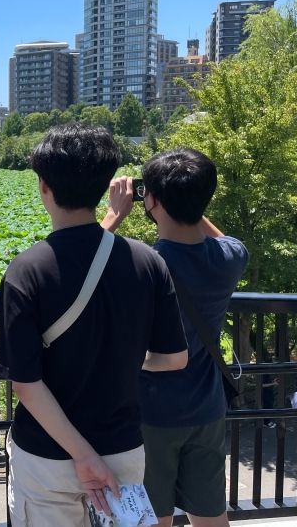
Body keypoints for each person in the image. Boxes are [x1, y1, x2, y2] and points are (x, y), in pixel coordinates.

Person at [0, 124, 189, 526]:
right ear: (104, 186)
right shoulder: (148, 262)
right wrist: (129, 358)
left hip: (47, 455)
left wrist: (82, 457)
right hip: (122, 450)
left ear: (44, 187)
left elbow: (26, 385)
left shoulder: (26, 270)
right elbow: (173, 359)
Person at [101, 148, 248, 527]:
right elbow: (224, 238)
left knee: (152, 519)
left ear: (150, 200)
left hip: (152, 414)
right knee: (211, 516)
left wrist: (114, 216)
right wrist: (192, 202)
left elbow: (75, 267)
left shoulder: (141, 263)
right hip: (208, 408)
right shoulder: (230, 259)